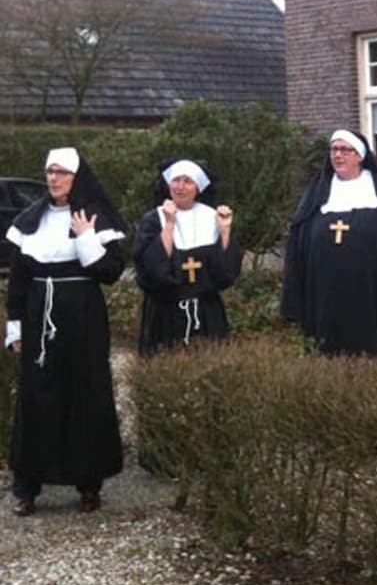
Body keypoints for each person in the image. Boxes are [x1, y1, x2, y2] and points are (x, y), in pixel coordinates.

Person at [4, 148, 127, 516]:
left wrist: (87, 238)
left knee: (85, 395)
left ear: (76, 177)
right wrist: (14, 327)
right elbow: (18, 281)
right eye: (49, 171)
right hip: (39, 318)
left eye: (61, 172)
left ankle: (88, 484)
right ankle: (27, 488)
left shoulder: (96, 217)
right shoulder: (31, 219)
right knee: (35, 396)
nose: (53, 178)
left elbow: (110, 272)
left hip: (84, 319)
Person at [280, 129, 377, 357]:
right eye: (334, 149)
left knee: (372, 353)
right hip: (323, 294)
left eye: (345, 150)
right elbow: (297, 247)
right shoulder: (316, 195)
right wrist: (294, 300)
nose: (338, 155)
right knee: (325, 353)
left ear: (360, 156)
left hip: (372, 293)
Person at [133, 158, 242, 356]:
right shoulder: (153, 219)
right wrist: (169, 224)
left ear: (198, 188)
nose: (180, 187)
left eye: (188, 181)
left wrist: (225, 231)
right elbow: (151, 271)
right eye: (176, 180)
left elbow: (226, 273)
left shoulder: (212, 217)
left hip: (207, 312)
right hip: (164, 314)